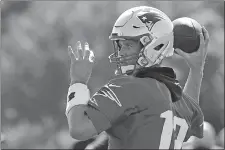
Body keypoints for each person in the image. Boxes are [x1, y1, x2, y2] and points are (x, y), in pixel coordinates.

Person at [65, 6, 209, 149]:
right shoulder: (174, 96)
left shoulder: (129, 86)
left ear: (154, 45)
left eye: (128, 45)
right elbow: (189, 113)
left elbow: (79, 128)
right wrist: (197, 70)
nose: (121, 52)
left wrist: (78, 81)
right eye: (120, 45)